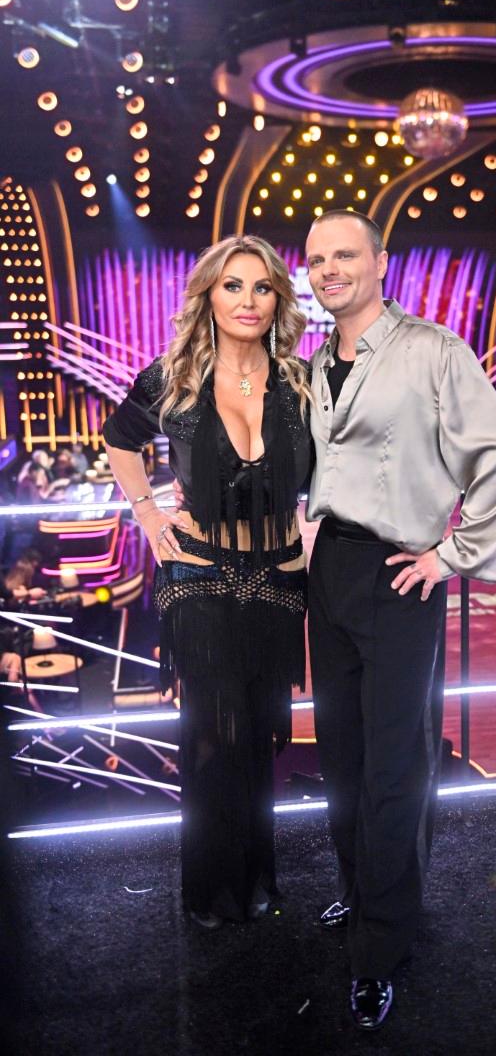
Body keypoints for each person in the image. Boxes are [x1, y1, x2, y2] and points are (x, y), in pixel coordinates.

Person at [303, 210, 496, 1029]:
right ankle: (363, 892)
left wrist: (452, 554)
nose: (330, 270)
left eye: (345, 255)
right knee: (341, 754)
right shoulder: (314, 362)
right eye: (317, 259)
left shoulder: (434, 350)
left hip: (401, 573)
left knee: (395, 765)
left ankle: (380, 947)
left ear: (381, 262)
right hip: (329, 572)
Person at [102, 236, 312, 930]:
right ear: (208, 297)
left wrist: (318, 525)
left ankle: (257, 878)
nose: (248, 301)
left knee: (259, 733)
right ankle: (211, 888)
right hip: (199, 574)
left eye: (262, 287)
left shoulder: (301, 382)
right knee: (215, 732)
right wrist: (145, 511)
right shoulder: (175, 377)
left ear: (278, 300)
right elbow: (118, 438)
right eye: (232, 286)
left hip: (279, 580)